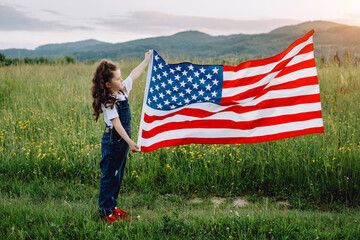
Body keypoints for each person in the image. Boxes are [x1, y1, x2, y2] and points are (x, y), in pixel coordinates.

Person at [91, 51, 152, 222]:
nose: (121, 80)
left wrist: (146, 60)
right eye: (117, 79)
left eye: (120, 77)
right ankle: (105, 212)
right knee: (110, 175)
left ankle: (112, 206)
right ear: (109, 84)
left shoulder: (122, 90)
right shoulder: (108, 100)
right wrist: (131, 142)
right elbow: (117, 124)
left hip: (122, 141)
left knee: (118, 175)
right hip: (114, 141)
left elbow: (134, 74)